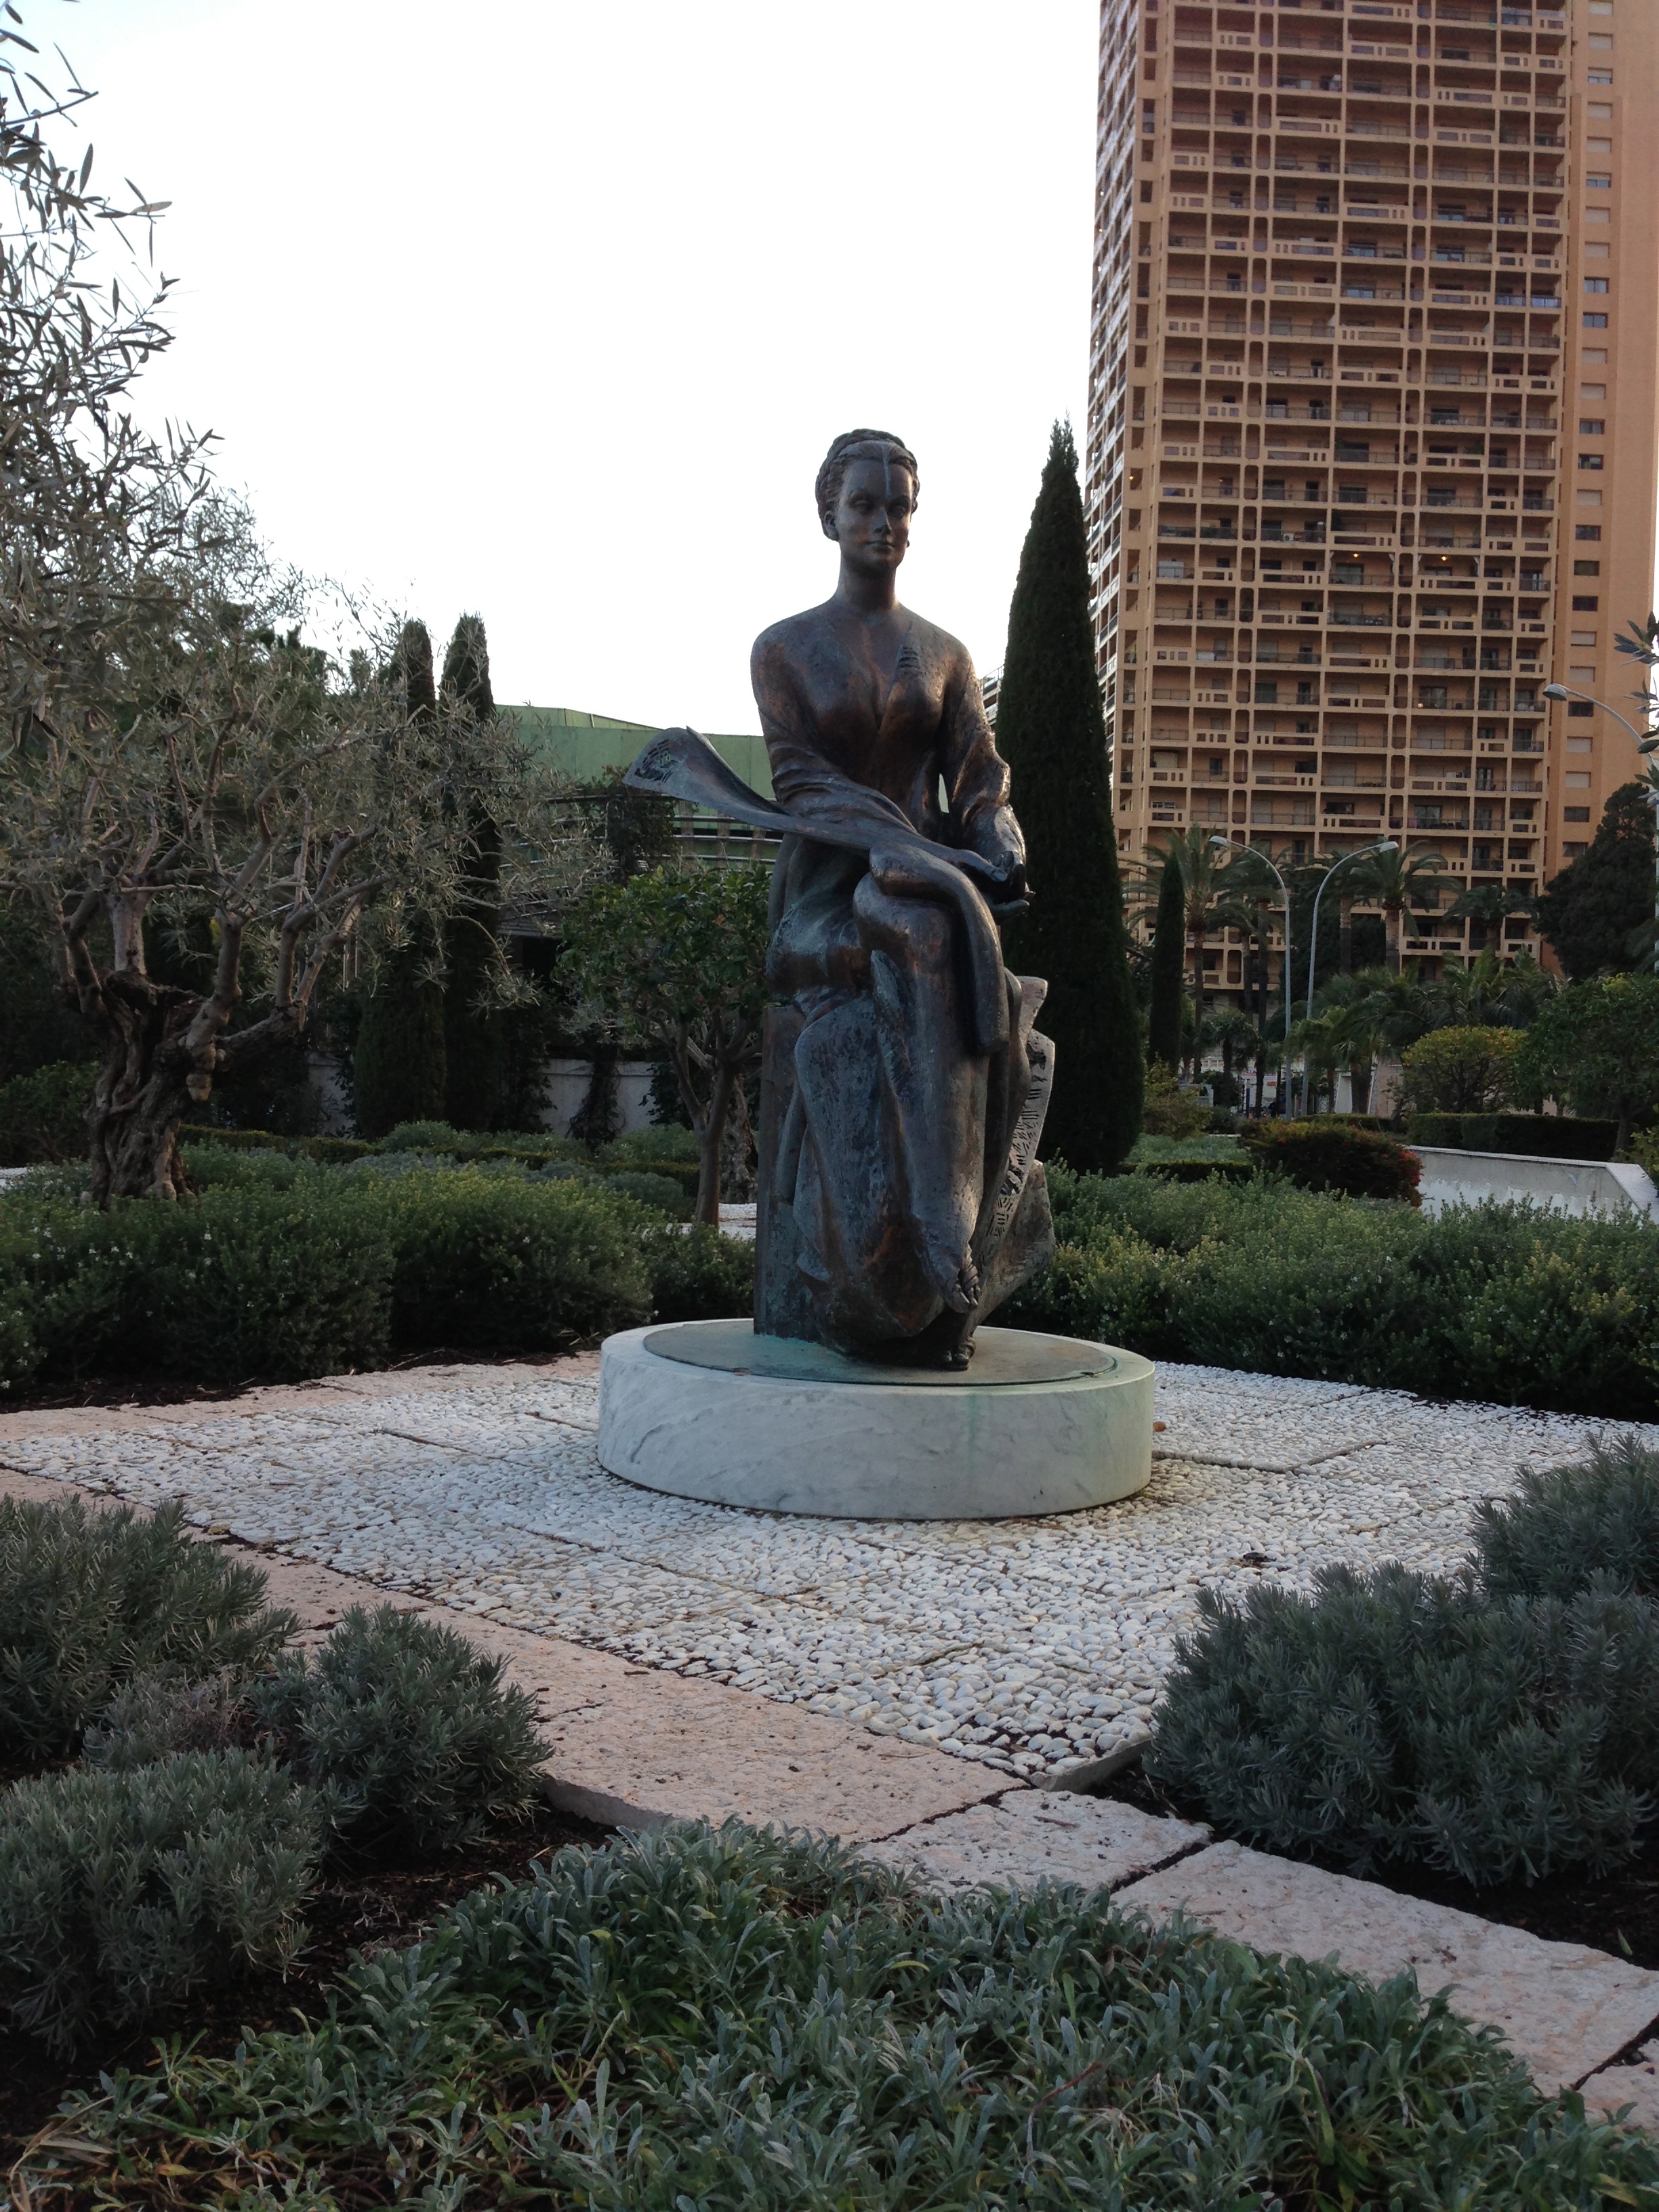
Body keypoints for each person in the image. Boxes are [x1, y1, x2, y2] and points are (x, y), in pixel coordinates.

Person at [750, 429, 1053, 1366]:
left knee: (927, 926)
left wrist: (998, 846)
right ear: (829, 517)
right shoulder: (784, 649)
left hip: (934, 886)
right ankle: (934, 1213)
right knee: (912, 926)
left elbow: (981, 783)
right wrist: (910, 851)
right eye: (865, 505)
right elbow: (805, 789)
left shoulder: (945, 655)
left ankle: (955, 1241)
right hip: (827, 896)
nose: (884, 522)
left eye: (899, 506)